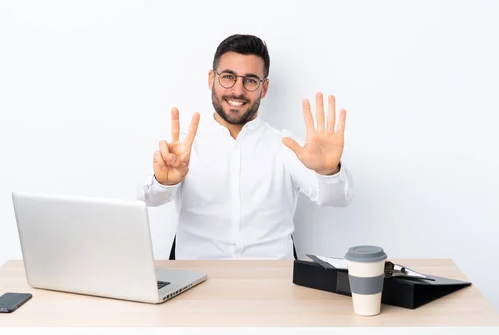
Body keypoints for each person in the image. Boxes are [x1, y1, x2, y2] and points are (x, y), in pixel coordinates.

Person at [138, 34, 354, 260]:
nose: (238, 90)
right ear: (211, 79)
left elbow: (337, 198)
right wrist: (165, 182)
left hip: (273, 285)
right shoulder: (182, 147)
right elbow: (150, 199)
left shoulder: (288, 147)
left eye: (250, 80)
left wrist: (329, 172)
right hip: (195, 282)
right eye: (228, 77)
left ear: (264, 88)